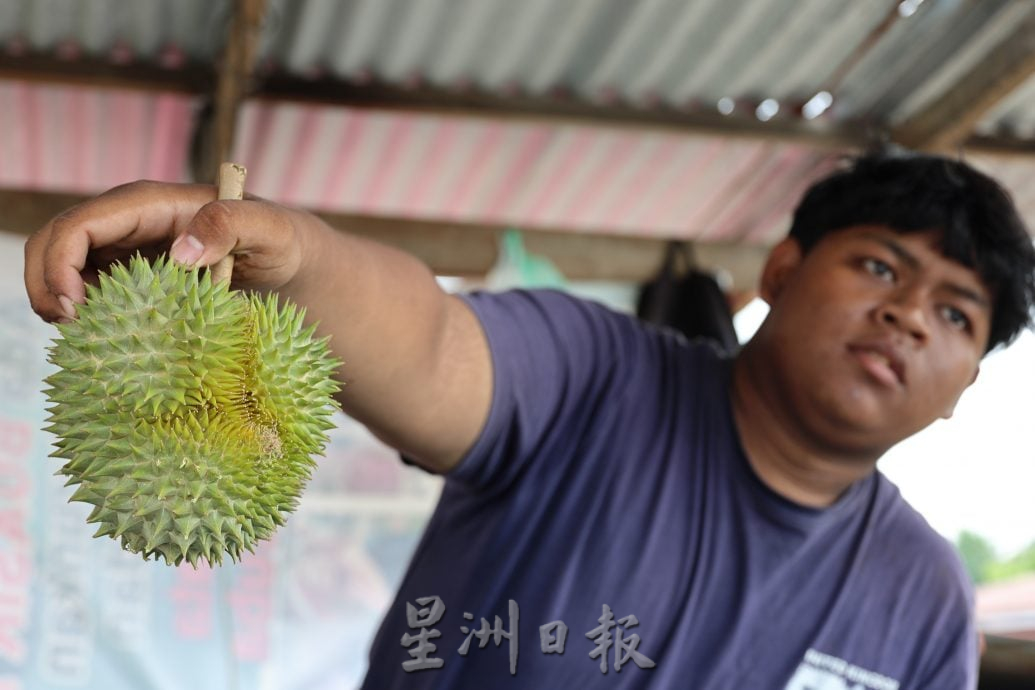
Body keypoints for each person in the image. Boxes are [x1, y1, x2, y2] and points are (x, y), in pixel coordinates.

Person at [24, 151, 1035, 689]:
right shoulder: (601, 375)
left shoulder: (927, 603)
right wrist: (293, 258)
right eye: (879, 266)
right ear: (780, 271)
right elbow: (428, 345)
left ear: (965, 389)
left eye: (956, 313)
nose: (907, 315)